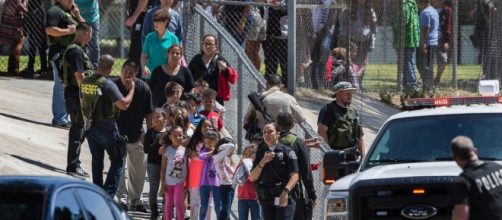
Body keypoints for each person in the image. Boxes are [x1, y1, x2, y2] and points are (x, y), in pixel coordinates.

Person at [80, 54, 134, 197]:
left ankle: (96, 193)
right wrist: (132, 90)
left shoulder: (85, 81)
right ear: (110, 69)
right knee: (118, 161)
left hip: (91, 128)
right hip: (107, 129)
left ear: (98, 65)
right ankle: (107, 195)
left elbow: (82, 104)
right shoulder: (107, 84)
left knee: (97, 162)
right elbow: (124, 105)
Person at [114, 60, 154, 212]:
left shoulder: (143, 88)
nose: (127, 75)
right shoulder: (113, 86)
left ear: (136, 74)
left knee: (138, 171)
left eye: (131, 73)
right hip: (116, 136)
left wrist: (150, 134)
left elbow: (149, 113)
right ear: (121, 70)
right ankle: (121, 199)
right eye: (125, 71)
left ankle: (135, 200)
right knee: (119, 169)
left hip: (136, 136)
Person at [46, 0, 85, 128]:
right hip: (59, 52)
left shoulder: (71, 12)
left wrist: (78, 15)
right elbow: (50, 30)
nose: (71, 1)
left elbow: (85, 29)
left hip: (72, 53)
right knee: (61, 85)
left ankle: (67, 117)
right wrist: (68, 31)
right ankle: (59, 118)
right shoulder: (55, 11)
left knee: (69, 85)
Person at [61, 23, 94, 177]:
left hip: (74, 94)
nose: (91, 38)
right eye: (91, 34)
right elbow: (80, 77)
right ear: (86, 34)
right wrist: (87, 98)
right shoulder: (75, 52)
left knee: (79, 129)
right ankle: (73, 166)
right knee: (78, 130)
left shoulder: (74, 49)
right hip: (77, 96)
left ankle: (75, 163)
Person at [250, 123, 299, 220]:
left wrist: (285, 191)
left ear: (277, 134)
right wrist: (263, 162)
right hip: (267, 198)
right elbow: (252, 177)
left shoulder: (287, 152)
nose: (267, 135)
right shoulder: (261, 153)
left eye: (270, 132)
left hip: (284, 197)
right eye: (264, 132)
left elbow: (295, 176)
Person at [450, 136, 502, 219]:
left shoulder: (463, 182)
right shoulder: (498, 168)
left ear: (454, 158)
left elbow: (461, 216)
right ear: (474, 150)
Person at [277, 112, 316, 220]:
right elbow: (305, 171)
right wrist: (312, 194)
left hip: (272, 192)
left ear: (277, 124)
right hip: (293, 192)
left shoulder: (271, 142)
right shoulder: (297, 143)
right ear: (292, 125)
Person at [317, 81, 365, 159]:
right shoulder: (328, 109)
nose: (350, 96)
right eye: (347, 93)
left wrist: (363, 157)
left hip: (352, 156)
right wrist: (329, 153)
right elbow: (321, 132)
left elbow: (360, 135)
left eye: (351, 93)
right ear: (339, 94)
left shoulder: (352, 111)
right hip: (335, 155)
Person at [188, 34, 238, 105]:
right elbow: (188, 77)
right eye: (205, 44)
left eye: (210, 44)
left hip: (216, 99)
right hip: (199, 98)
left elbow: (233, 78)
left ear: (215, 46)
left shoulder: (220, 60)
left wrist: (225, 69)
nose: (207, 46)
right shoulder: (196, 59)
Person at [337, 0, 377, 79]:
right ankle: (350, 83)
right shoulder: (348, 10)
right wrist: (345, 37)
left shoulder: (371, 12)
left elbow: (374, 29)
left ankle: (358, 85)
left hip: (365, 42)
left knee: (360, 65)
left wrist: (372, 44)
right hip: (352, 42)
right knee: (351, 64)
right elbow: (342, 22)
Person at [141, 8, 180, 80]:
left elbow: (178, 58)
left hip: (167, 76)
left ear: (166, 22)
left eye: (158, 21)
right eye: (154, 21)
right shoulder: (149, 37)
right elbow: (144, 55)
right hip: (151, 76)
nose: (155, 23)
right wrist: (144, 67)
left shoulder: (173, 39)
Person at [391, 0, 420, 94]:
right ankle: (407, 84)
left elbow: (403, 21)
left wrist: (392, 21)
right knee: (408, 61)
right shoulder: (412, 4)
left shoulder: (405, 5)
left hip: (405, 40)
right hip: (410, 39)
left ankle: (411, 84)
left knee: (407, 62)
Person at [143, 108, 167, 220]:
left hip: (167, 165)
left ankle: (165, 212)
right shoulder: (150, 132)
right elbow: (146, 149)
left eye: (158, 116)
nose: (156, 119)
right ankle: (154, 212)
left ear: (164, 118)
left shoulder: (168, 133)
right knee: (154, 188)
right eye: (154, 117)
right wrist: (158, 143)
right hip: (153, 163)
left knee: (167, 188)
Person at [160, 126, 188, 220]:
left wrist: (187, 183)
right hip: (168, 182)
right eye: (175, 135)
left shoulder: (185, 151)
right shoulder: (166, 150)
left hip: (180, 182)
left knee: (178, 204)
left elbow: (188, 167)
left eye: (180, 135)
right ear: (170, 137)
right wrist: (162, 184)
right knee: (168, 204)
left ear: (183, 136)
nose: (178, 138)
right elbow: (163, 168)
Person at [309, 0, 337, 89]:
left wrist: (320, 33)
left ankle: (322, 83)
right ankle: (314, 84)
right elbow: (309, 16)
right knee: (313, 58)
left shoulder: (332, 2)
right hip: (313, 32)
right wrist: (314, 33)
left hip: (326, 33)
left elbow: (331, 21)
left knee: (323, 53)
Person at [199, 130, 224, 220]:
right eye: (206, 143)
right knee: (203, 207)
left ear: (216, 140)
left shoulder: (221, 151)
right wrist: (213, 152)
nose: (207, 144)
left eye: (210, 142)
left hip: (217, 182)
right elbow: (201, 156)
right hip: (204, 182)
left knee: (218, 207)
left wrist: (217, 151)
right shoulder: (204, 151)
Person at [262, 0, 288, 85]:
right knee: (270, 62)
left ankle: (286, 84)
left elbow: (284, 9)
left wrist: (280, 5)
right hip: (270, 36)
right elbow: (266, 18)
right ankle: (270, 83)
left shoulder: (287, 2)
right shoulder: (270, 3)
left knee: (284, 62)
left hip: (282, 37)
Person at [126, 0, 157, 69]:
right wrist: (128, 15)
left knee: (139, 49)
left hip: (143, 16)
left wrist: (134, 17)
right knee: (135, 50)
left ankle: (140, 75)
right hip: (136, 16)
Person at [417, 0, 439, 93]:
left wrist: (423, 43)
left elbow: (426, 28)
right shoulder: (434, 11)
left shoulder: (425, 12)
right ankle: (430, 86)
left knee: (422, 65)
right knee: (429, 66)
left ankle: (427, 86)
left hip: (427, 43)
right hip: (434, 43)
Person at [22, 0, 49, 78]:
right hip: (35, 32)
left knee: (41, 51)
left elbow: (43, 22)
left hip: (39, 32)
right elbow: (27, 20)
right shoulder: (34, 8)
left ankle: (43, 68)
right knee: (34, 51)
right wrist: (26, 31)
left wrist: (26, 31)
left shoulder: (40, 8)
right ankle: (32, 68)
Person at [0, 0, 27, 76]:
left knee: (14, 44)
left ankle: (12, 68)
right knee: (19, 42)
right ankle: (14, 68)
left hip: (9, 23)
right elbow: (24, 10)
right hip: (13, 25)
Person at [235, 144, 261, 220]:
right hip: (242, 197)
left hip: (255, 198)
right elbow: (236, 177)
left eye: (251, 154)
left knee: (256, 218)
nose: (248, 156)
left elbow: (253, 179)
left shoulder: (257, 166)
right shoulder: (241, 165)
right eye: (246, 154)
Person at [75, 0, 100, 68]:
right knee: (76, 42)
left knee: (93, 43)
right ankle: (78, 66)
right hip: (76, 17)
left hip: (91, 18)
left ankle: (94, 67)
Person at [433, 0, 452, 85]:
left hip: (441, 39)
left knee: (443, 60)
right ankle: (429, 80)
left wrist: (447, 41)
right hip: (431, 38)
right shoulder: (430, 10)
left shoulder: (447, 10)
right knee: (428, 60)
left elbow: (448, 25)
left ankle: (437, 78)